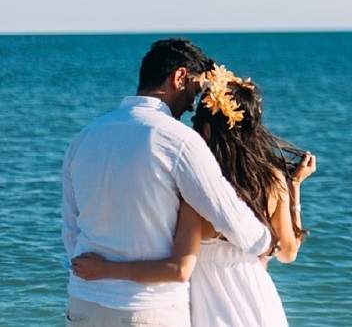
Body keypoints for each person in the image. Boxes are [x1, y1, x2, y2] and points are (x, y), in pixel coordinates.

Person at [72, 67, 317, 326]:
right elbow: (288, 253)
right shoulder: (273, 180)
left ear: (207, 130)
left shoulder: (198, 191)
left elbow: (178, 267)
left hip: (210, 303)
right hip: (259, 298)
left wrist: (106, 270)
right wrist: (294, 188)